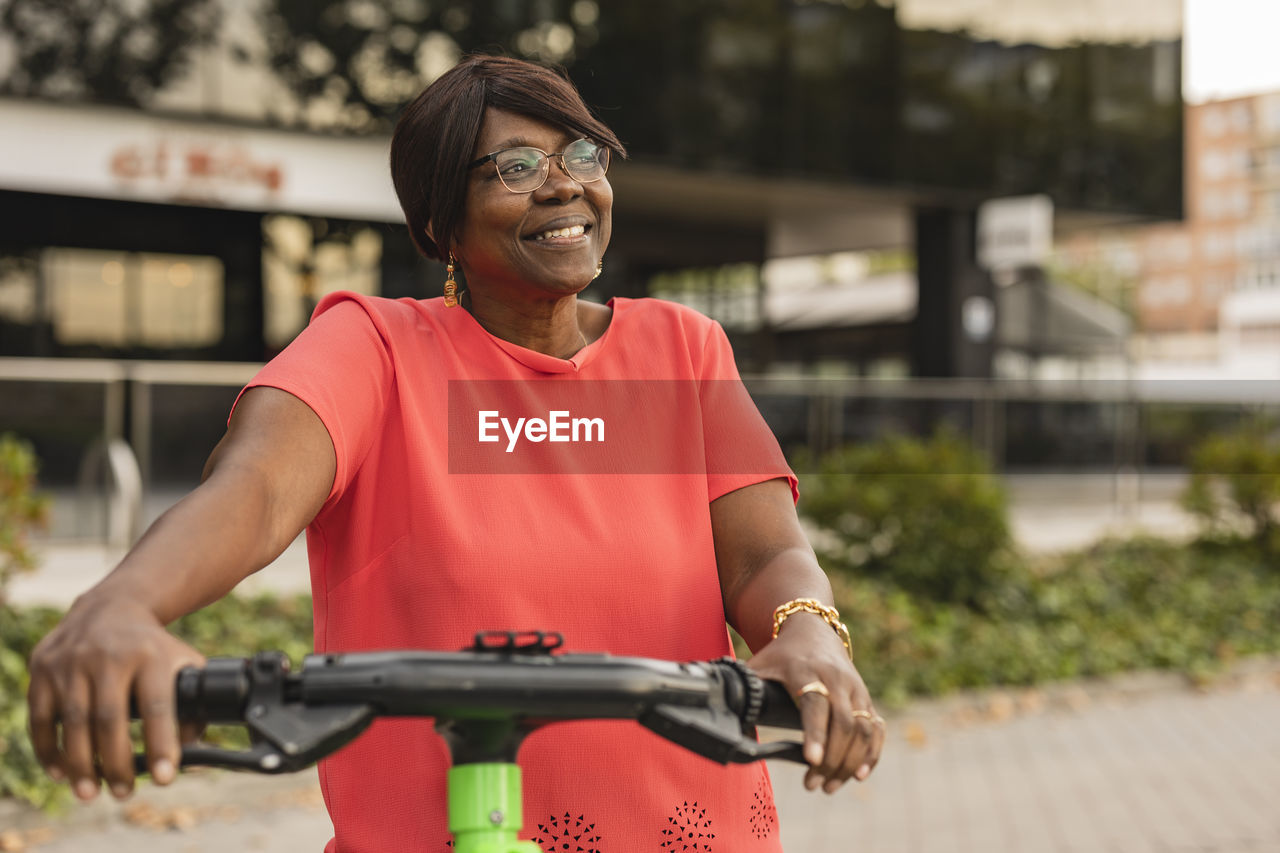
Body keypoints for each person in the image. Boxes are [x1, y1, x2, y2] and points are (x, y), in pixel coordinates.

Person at [27, 54, 884, 851]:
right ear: (439, 221)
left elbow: (767, 551)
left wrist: (808, 631)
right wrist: (125, 605)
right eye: (515, 168)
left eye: (581, 154)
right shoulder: (375, 349)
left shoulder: (681, 350)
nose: (563, 186)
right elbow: (250, 491)